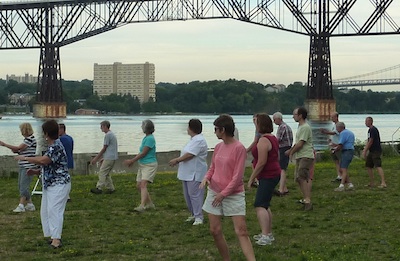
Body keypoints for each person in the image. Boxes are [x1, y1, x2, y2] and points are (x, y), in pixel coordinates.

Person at [200, 114, 255, 261]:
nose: (214, 132)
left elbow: (237, 177)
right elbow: (213, 167)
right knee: (215, 230)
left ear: (222, 130)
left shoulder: (239, 148)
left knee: (241, 231)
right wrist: (206, 178)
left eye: (216, 129)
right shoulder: (218, 147)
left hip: (233, 194)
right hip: (214, 192)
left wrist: (223, 194)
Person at [15, 119, 71, 249]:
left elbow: (45, 160)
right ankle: (53, 237)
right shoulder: (52, 146)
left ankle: (56, 240)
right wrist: (36, 171)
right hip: (50, 184)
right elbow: (51, 165)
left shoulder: (56, 146)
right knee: (46, 211)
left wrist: (25, 158)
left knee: (54, 211)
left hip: (59, 184)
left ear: (46, 133)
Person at [247, 113, 281, 246]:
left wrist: (251, 178)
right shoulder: (271, 138)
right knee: (265, 204)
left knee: (259, 204)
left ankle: (266, 236)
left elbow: (261, 162)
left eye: (256, 123)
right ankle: (267, 232)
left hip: (268, 175)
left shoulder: (264, 140)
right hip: (272, 173)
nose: (255, 125)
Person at [169, 119, 208, 225]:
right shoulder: (192, 140)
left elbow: (190, 154)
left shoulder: (199, 140)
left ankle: (199, 217)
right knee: (188, 195)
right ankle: (193, 214)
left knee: (195, 195)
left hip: (195, 173)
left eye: (188, 127)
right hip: (187, 173)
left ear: (191, 128)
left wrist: (177, 160)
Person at [0, 123, 37, 213]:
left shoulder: (29, 140)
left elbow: (18, 148)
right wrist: (16, 150)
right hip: (23, 165)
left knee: (23, 186)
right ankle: (30, 204)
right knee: (22, 186)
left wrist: (4, 144)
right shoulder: (28, 140)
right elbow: (19, 150)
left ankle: (21, 205)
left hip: (27, 166)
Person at [124, 119, 157, 212]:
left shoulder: (150, 138)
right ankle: (150, 204)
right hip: (142, 164)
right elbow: (141, 152)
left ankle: (142, 206)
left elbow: (143, 153)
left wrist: (132, 161)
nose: (141, 127)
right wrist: (133, 161)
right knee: (139, 185)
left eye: (143, 125)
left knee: (143, 184)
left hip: (149, 165)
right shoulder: (146, 138)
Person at [285, 107, 314, 211]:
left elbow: (301, 143)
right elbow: (297, 143)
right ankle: (306, 198)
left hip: (306, 155)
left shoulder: (305, 127)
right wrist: (291, 150)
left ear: (300, 115)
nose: (293, 116)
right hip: (300, 155)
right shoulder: (300, 127)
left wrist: (291, 152)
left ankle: (307, 200)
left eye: (295, 114)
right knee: (298, 178)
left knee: (302, 177)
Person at [90, 120, 118, 194]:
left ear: (105, 126)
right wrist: (104, 158)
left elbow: (104, 148)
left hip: (109, 157)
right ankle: (111, 188)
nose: (100, 128)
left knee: (102, 172)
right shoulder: (112, 134)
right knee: (106, 173)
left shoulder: (108, 135)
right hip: (112, 157)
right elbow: (111, 149)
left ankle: (99, 188)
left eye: (101, 126)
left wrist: (96, 158)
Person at [362, 117, 387, 188]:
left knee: (378, 165)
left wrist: (365, 150)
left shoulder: (373, 130)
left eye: (367, 121)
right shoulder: (370, 130)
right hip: (371, 151)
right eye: (365, 121)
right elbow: (369, 140)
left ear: (370, 121)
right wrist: (366, 148)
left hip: (376, 150)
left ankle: (383, 182)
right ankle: (372, 182)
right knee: (368, 166)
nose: (365, 123)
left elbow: (371, 141)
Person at [272, 112, 293, 196]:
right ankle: (285, 188)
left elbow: (278, 139)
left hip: (284, 148)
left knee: (282, 169)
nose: (274, 122)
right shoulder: (285, 126)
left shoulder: (282, 127)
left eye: (274, 120)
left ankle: (281, 189)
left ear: (279, 119)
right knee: (282, 168)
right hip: (286, 147)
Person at [332, 122, 355, 191]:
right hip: (349, 150)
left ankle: (341, 186)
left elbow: (341, 144)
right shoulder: (349, 132)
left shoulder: (343, 133)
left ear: (340, 128)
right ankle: (350, 184)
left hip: (347, 151)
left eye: (337, 128)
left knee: (343, 169)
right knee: (342, 168)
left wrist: (334, 150)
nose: (336, 130)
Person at [320, 112, 342, 182]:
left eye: (333, 117)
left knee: (340, 161)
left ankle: (343, 175)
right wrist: (330, 140)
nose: (331, 118)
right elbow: (333, 134)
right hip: (332, 145)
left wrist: (325, 132)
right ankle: (339, 175)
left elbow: (335, 133)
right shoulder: (333, 125)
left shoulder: (339, 125)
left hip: (338, 146)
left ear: (336, 117)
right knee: (336, 161)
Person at [59, 123, 74, 201]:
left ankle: (66, 196)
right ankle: (67, 195)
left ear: (62, 129)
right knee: (67, 179)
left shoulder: (62, 139)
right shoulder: (70, 138)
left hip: (64, 162)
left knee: (63, 179)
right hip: (70, 159)